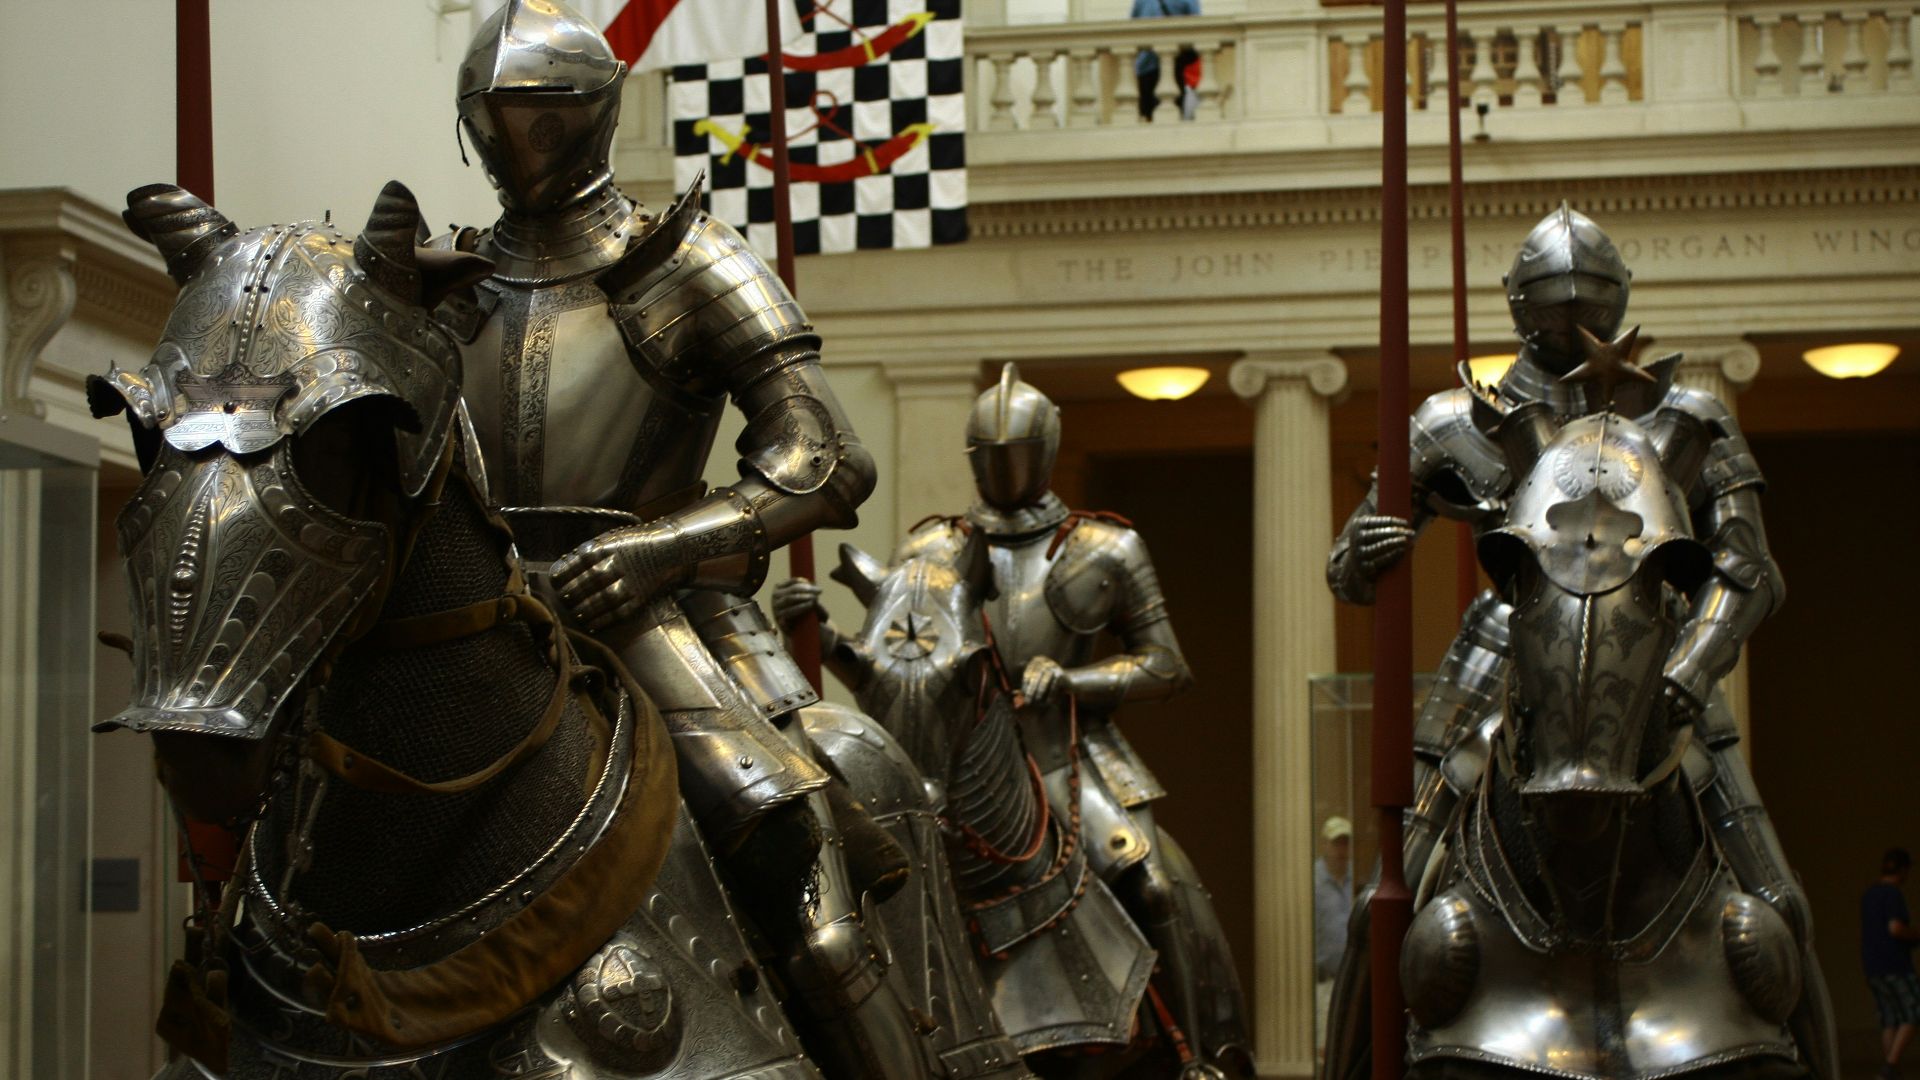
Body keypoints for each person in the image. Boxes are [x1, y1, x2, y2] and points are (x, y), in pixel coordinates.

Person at [433, 3, 945, 1076]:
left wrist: (658, 550)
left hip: (644, 614)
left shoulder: (690, 261)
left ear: (591, 114)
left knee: (802, 875)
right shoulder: (449, 285)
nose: (515, 139)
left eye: (537, 113)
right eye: (497, 116)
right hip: (470, 620)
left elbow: (825, 454)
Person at [1318, 204, 1838, 1080]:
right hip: (1495, 673)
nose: (1572, 321)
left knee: (1781, 901)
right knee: (1387, 907)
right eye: (1554, 303)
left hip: (1658, 677)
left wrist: (1692, 664)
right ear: (1518, 306)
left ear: (1622, 299)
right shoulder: (1455, 421)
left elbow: (1749, 569)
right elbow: (1348, 564)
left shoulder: (1689, 415)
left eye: (1589, 300)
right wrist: (1368, 547)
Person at [776, 363, 1253, 1079]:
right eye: (991, 456)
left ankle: (1197, 1056)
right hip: (953, 772)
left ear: (1048, 451)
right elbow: (899, 678)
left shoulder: (1107, 548)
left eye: (1018, 453)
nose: (1004, 468)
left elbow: (1165, 666)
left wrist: (1074, 678)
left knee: (1156, 883)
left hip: (1070, 756)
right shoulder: (930, 550)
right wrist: (821, 635)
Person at [1866, 848, 1920, 1080]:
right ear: (1903, 870)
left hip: (1873, 965)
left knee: (1890, 1018)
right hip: (1895, 964)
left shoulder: (1870, 895)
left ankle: (1892, 1069)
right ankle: (1890, 1065)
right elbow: (1895, 928)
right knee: (1914, 1011)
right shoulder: (1892, 895)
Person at [1313, 816, 1354, 1049]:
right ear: (1324, 845)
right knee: (1324, 1049)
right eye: (1336, 843)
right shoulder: (1313, 882)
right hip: (1323, 984)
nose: (1341, 849)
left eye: (1345, 843)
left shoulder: (1355, 878)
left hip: (1348, 983)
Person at [1130, 0, 1202, 121]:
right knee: (1174, 114)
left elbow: (1132, 27)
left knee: (1149, 117)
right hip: (1171, 64)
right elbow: (1198, 26)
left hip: (1148, 66)